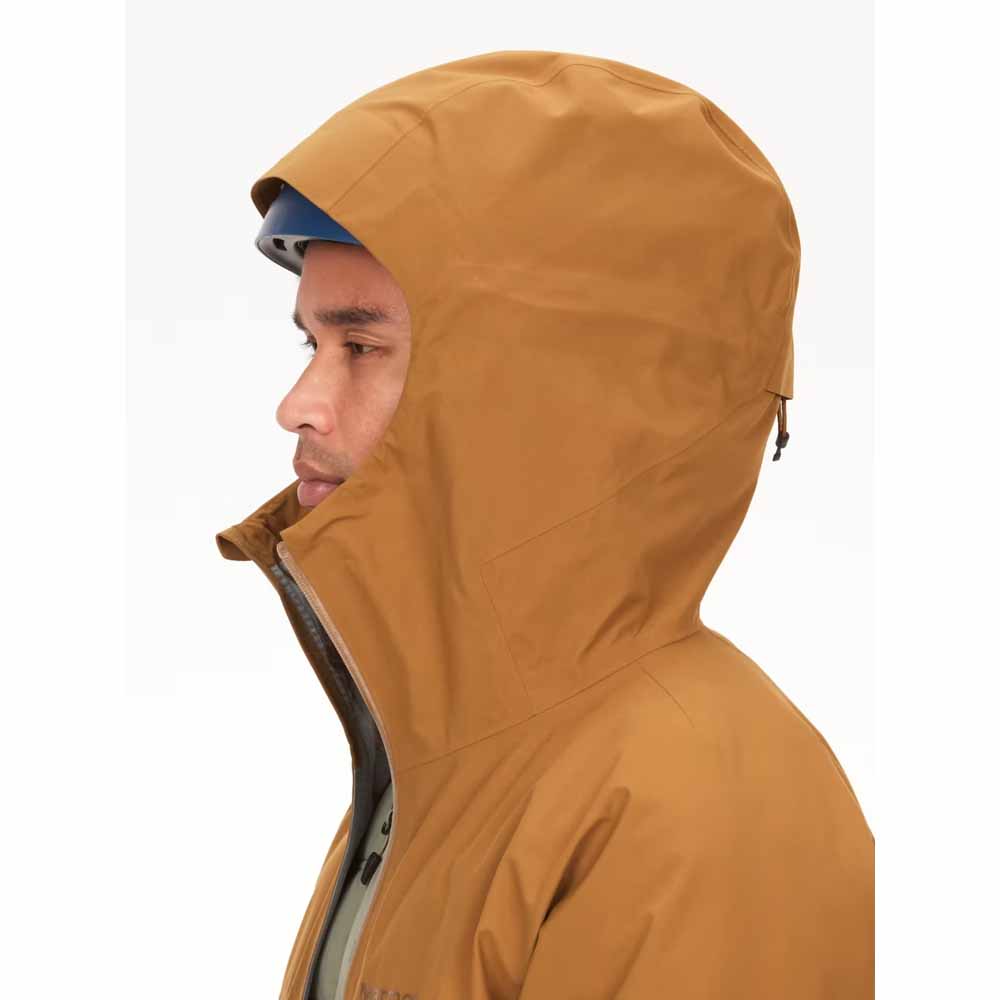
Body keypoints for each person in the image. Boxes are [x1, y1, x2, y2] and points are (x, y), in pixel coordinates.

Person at [216, 50, 874, 1000]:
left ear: (543, 389)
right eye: (311, 343)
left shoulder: (692, 803)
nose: (299, 405)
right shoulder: (448, 770)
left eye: (360, 346)